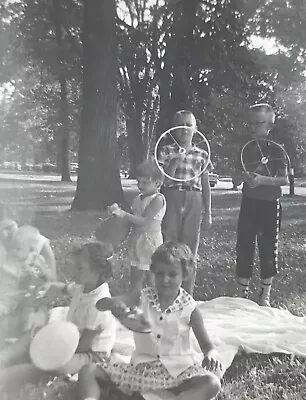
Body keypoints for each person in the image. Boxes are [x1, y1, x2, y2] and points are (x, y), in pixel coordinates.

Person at [77, 241, 222, 400]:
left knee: (212, 383)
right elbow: (101, 304)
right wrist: (113, 304)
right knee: (87, 370)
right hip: (142, 371)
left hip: (179, 372)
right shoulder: (142, 297)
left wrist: (211, 354)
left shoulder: (190, 309)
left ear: (185, 275)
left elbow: (207, 346)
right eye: (160, 273)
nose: (165, 280)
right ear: (152, 272)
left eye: (172, 274)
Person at [0, 241, 116, 384]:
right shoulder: (84, 286)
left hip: (91, 354)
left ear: (97, 272)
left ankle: (15, 374)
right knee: (35, 334)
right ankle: (5, 356)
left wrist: (55, 347)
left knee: (54, 363)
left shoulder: (98, 304)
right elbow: (65, 289)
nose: (74, 272)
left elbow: (83, 346)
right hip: (72, 338)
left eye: (80, 268)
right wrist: (51, 286)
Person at [232, 103, 288, 306]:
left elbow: (284, 180)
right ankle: (242, 292)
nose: (254, 127)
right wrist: (242, 178)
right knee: (244, 245)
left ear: (270, 124)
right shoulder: (245, 149)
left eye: (259, 123)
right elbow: (235, 180)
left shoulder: (277, 149)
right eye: (252, 123)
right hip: (249, 203)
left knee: (268, 247)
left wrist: (262, 180)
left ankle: (265, 294)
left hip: (270, 204)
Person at [158, 110, 213, 295]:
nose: (185, 130)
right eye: (180, 126)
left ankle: (187, 294)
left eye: (188, 125)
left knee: (190, 246)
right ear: (174, 130)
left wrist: (208, 213)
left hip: (194, 198)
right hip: (172, 196)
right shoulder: (166, 150)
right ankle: (168, 290)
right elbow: (164, 181)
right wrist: (175, 161)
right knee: (170, 243)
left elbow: (205, 185)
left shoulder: (202, 154)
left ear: (195, 129)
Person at [109, 158, 166, 291]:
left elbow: (145, 220)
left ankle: (158, 301)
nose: (141, 185)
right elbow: (131, 218)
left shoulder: (158, 199)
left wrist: (125, 215)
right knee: (135, 274)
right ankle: (135, 300)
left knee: (152, 275)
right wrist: (116, 212)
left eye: (145, 182)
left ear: (157, 183)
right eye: (138, 181)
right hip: (137, 239)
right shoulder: (138, 198)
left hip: (150, 241)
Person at [0, 218, 56, 350]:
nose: (13, 252)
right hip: (12, 295)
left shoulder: (36, 260)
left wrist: (44, 280)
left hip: (30, 296)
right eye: (12, 249)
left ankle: (23, 340)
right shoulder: (12, 259)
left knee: (29, 315)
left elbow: (49, 277)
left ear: (30, 249)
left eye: (18, 249)